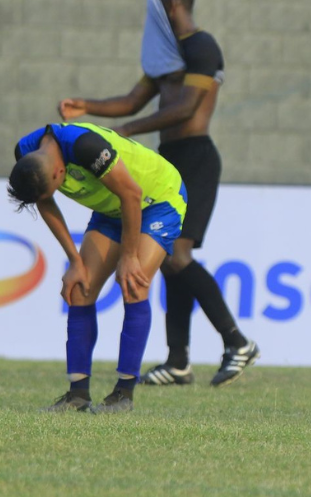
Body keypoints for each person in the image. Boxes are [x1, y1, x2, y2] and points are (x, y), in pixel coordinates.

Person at [58, 0, 259, 387]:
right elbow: (133, 100)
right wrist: (87, 106)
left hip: (197, 157)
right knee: (167, 259)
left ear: (169, 7)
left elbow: (186, 108)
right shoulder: (167, 56)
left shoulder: (202, 47)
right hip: (168, 162)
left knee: (178, 256)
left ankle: (237, 342)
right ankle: (178, 361)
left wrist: (127, 131)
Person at [8, 122, 188, 412]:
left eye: (51, 190)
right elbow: (45, 202)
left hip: (157, 199)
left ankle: (123, 394)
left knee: (134, 284)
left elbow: (132, 194)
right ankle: (77, 395)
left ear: (58, 173)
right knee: (80, 290)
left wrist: (129, 256)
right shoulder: (28, 155)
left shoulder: (86, 147)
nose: (50, 196)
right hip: (112, 208)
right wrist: (75, 261)